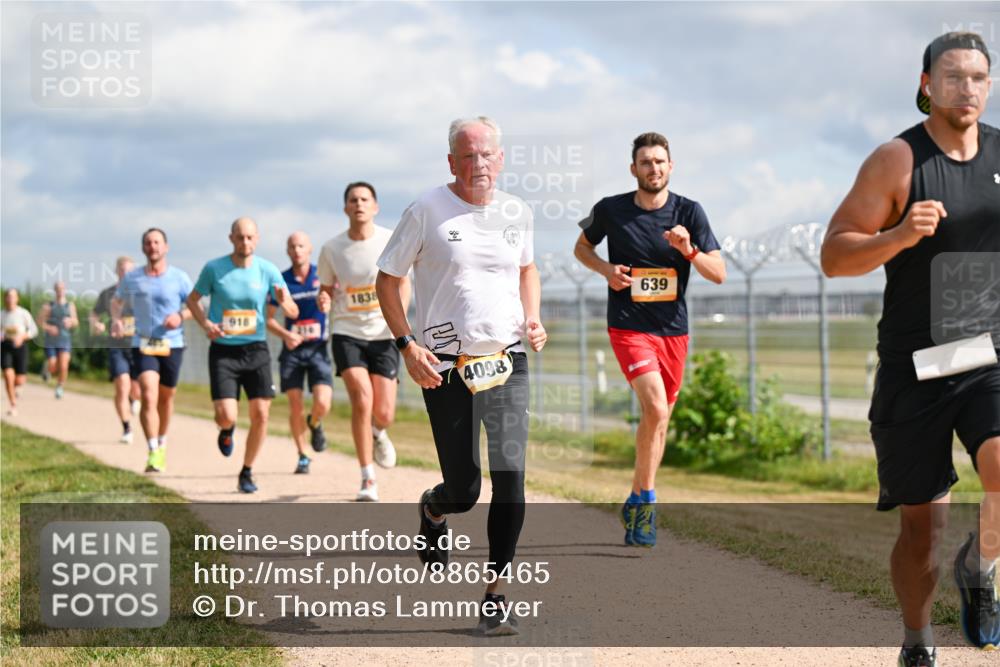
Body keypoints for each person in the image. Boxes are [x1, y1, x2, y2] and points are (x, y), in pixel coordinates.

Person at [820, 32, 998, 666]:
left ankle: (980, 566)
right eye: (953, 76)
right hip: (915, 366)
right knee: (922, 530)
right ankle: (917, 641)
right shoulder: (898, 160)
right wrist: (896, 234)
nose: (967, 88)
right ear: (927, 83)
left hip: (987, 357)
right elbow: (835, 255)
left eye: (979, 76)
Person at [376, 116, 546, 636]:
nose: (478, 166)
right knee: (465, 489)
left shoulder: (517, 211)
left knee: (512, 482)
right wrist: (407, 345)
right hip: (446, 368)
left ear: (502, 158)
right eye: (467, 157)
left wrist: (532, 316)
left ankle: (495, 595)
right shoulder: (425, 211)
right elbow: (387, 280)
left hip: (507, 361)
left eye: (487, 155)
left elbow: (526, 269)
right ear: (451, 162)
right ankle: (434, 510)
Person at [574, 131, 725, 548]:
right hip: (628, 325)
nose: (653, 168)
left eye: (660, 161)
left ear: (670, 166)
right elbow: (581, 248)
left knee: (659, 420)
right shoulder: (610, 209)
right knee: (655, 407)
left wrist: (689, 250)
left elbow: (719, 272)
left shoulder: (690, 212)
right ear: (633, 169)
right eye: (645, 162)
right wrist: (606, 271)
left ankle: (637, 493)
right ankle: (647, 504)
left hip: (673, 330)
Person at [187, 217, 298, 493]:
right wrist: (205, 324)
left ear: (257, 239)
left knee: (261, 413)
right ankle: (226, 429)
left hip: (256, 348)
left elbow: (292, 311)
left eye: (250, 237)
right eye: (240, 237)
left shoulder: (268, 270)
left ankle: (247, 471)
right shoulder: (214, 269)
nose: (245, 242)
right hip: (224, 350)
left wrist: (285, 301)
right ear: (231, 238)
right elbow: (192, 300)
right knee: (226, 415)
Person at [319, 182, 406, 501]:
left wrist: (401, 323)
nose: (359, 204)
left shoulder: (388, 240)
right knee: (361, 396)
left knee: (384, 412)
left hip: (384, 333)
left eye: (364, 199)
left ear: (375, 206)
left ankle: (378, 431)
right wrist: (324, 299)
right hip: (347, 332)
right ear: (346, 208)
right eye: (353, 200)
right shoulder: (332, 248)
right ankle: (367, 477)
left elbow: (402, 281)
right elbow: (326, 288)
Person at [114, 229, 193, 474]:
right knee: (149, 393)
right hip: (143, 343)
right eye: (148, 243)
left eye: (157, 242)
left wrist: (180, 316)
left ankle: (162, 438)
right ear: (143, 248)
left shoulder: (179, 277)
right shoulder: (133, 278)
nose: (153, 246)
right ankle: (153, 450)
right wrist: (117, 319)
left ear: (166, 247)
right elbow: (116, 301)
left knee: (166, 398)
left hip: (172, 344)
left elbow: (195, 307)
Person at [266, 231, 333, 476]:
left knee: (323, 403)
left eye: (301, 246)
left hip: (318, 349)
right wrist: (287, 335)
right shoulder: (281, 281)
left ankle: (314, 422)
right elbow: (268, 319)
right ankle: (303, 455)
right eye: (292, 246)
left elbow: (336, 300)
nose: (297, 250)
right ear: (287, 251)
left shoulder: (322, 275)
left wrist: (328, 304)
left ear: (310, 249)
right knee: (295, 406)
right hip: (292, 351)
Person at [91, 256, 141, 443]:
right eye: (122, 270)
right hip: (116, 345)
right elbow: (94, 314)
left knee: (137, 389)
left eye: (130, 271)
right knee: (122, 385)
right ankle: (127, 428)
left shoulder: (141, 293)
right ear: (117, 272)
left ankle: (134, 399)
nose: (126, 274)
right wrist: (98, 325)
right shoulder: (108, 294)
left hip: (137, 346)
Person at [37, 281, 78, 399]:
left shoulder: (70, 305)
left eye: (62, 288)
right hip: (51, 340)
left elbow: (76, 321)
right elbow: (40, 322)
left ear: (65, 290)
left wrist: (70, 322)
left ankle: (60, 387)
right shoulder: (48, 306)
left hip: (65, 339)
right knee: (53, 365)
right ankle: (47, 368)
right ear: (55, 290)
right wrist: (49, 328)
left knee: (64, 365)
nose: (60, 291)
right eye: (58, 289)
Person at [2, 288, 39, 416]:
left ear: (17, 299)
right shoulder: (1, 315)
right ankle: (13, 405)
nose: (10, 299)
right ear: (4, 298)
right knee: (8, 375)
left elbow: (34, 330)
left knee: (19, 380)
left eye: (12, 297)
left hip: (20, 347)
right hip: (5, 346)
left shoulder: (23, 314)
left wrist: (22, 337)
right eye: (8, 296)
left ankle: (17, 388)